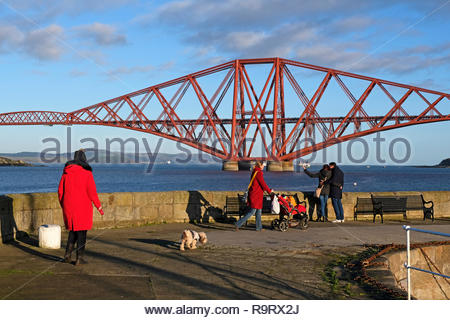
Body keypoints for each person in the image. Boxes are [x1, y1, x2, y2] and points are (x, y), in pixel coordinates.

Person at [58, 150, 104, 265]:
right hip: (83, 206)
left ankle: (67, 255)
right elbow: (92, 192)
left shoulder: (66, 173)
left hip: (69, 206)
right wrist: (99, 207)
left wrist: (63, 204)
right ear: (84, 159)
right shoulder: (87, 173)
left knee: (73, 230)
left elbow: (60, 192)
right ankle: (79, 258)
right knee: (82, 232)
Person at [235, 161, 273, 231]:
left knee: (259, 211)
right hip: (256, 195)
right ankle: (238, 224)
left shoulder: (255, 172)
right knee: (252, 212)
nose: (264, 166)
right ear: (260, 165)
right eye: (263, 165)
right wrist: (269, 191)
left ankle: (259, 227)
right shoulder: (258, 173)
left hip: (256, 194)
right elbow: (263, 184)